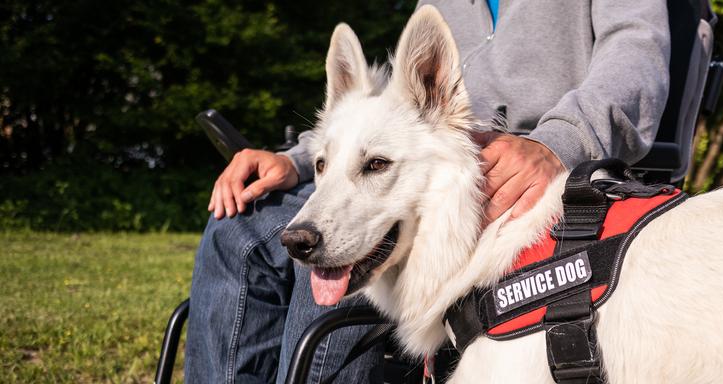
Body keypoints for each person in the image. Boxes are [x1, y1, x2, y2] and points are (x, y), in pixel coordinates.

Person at [184, 0, 670, 383]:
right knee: (241, 226)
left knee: (346, 257)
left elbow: (638, 56)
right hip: (428, 157)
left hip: (529, 169)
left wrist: (556, 143)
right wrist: (293, 163)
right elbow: (390, 116)